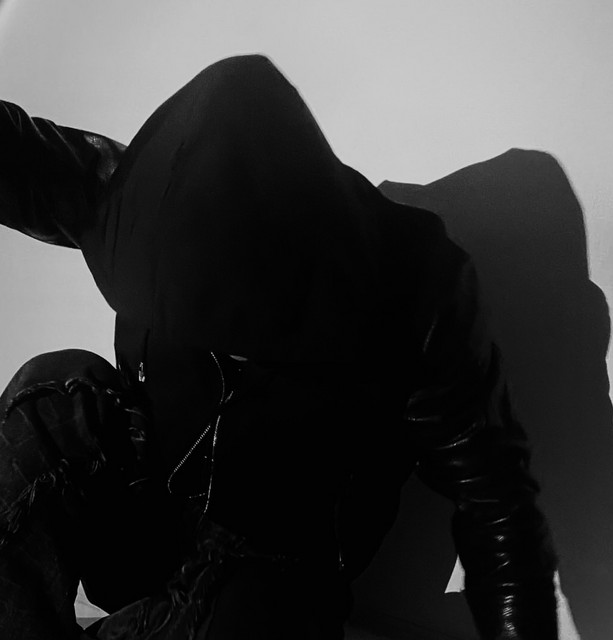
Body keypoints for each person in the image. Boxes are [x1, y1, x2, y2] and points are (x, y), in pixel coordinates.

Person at [0, 55, 558, 639]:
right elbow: (19, 157)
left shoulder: (420, 293)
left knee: (258, 605)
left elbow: (498, 509)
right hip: (149, 522)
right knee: (53, 390)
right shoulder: (147, 197)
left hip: (267, 577)